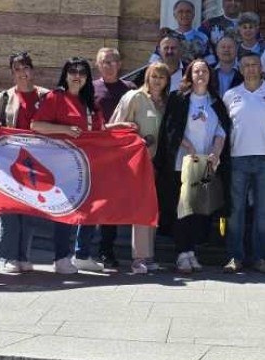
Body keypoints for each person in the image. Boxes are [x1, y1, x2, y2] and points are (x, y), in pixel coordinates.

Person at [31, 57, 104, 275]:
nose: (77, 76)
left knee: (91, 209)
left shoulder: (91, 102)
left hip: (88, 164)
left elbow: (101, 131)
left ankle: (81, 255)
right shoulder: (55, 97)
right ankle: (61, 257)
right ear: (65, 74)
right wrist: (64, 129)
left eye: (82, 72)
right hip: (60, 165)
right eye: (72, 71)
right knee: (65, 212)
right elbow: (36, 125)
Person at [156, 59, 230, 274]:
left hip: (206, 165)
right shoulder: (179, 98)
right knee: (183, 209)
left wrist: (216, 153)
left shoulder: (215, 100)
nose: (201, 74)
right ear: (189, 75)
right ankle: (182, 253)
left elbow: (222, 130)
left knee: (199, 210)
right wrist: (189, 148)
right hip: (183, 162)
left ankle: (192, 252)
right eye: (196, 71)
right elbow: (171, 128)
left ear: (210, 75)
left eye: (204, 71)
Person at [222, 52, 265, 274]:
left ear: (261, 68)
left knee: (262, 212)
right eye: (246, 65)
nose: (250, 69)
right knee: (236, 211)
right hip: (238, 159)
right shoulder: (230, 95)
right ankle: (234, 257)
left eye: (254, 65)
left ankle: (260, 258)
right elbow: (224, 130)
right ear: (240, 68)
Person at [111, 61, 172, 275]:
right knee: (140, 210)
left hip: (158, 165)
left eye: (162, 77)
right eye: (154, 76)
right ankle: (139, 259)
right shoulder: (134, 97)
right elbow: (115, 127)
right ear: (147, 77)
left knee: (152, 209)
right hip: (137, 163)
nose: (157, 81)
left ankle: (149, 256)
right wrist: (136, 139)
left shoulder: (165, 102)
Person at [0, 51, 50, 274]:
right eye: (17, 69)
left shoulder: (45, 96)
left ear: (32, 70)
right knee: (9, 210)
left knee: (30, 211)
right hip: (9, 161)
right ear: (12, 73)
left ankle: (24, 256)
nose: (22, 73)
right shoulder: (5, 97)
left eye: (25, 68)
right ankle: (8, 256)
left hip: (37, 162)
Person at [86, 47, 133, 270]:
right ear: (98, 65)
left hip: (120, 155)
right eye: (105, 62)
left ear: (120, 64)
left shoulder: (131, 90)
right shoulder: (90, 89)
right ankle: (83, 250)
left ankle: (107, 250)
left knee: (112, 205)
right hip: (95, 154)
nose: (110, 65)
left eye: (114, 61)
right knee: (91, 202)